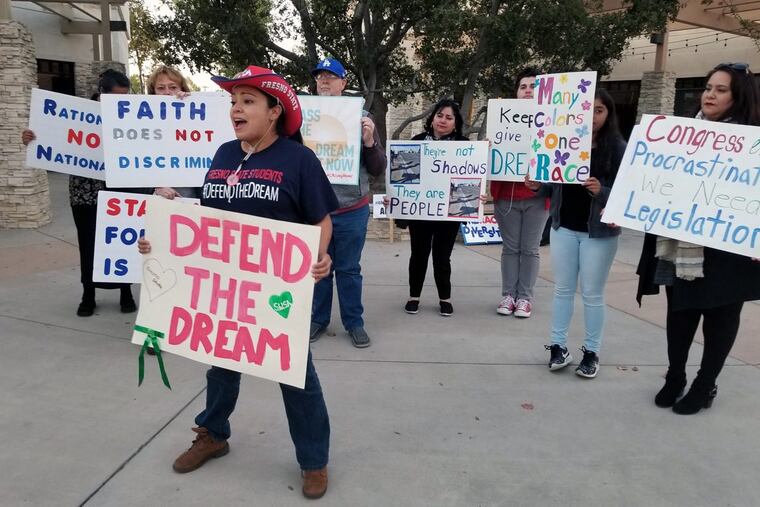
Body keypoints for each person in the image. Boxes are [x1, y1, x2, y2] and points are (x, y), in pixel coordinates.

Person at [138, 65, 337, 499]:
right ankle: (213, 434)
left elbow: (320, 220)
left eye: (247, 101)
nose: (235, 109)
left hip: (279, 292)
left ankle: (313, 460)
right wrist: (165, 228)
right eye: (233, 101)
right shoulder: (225, 153)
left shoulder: (298, 159)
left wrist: (319, 257)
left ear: (274, 112)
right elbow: (208, 224)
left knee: (295, 375)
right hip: (226, 293)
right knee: (221, 365)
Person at [636, 62, 760, 414]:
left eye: (721, 90)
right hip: (681, 244)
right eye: (708, 87)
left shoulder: (754, 142)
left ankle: (705, 384)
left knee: (720, 317)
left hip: (730, 248)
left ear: (738, 97)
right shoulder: (680, 134)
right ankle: (675, 376)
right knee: (680, 312)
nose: (710, 94)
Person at [525, 89, 625, 378]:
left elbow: (630, 193)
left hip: (599, 234)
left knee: (592, 294)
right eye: (588, 109)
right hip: (564, 228)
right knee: (562, 290)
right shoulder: (563, 142)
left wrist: (601, 191)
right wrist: (537, 187)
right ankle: (558, 346)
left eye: (599, 110)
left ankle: (591, 352)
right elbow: (553, 185)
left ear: (608, 114)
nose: (592, 116)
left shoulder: (617, 147)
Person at [22, 69, 137, 317]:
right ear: (102, 92)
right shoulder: (77, 114)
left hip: (119, 192)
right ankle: (89, 294)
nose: (121, 101)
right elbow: (53, 139)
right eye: (116, 96)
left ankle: (125, 291)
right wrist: (32, 140)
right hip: (85, 194)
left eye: (125, 96)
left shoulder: (130, 116)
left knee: (120, 243)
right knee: (88, 245)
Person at [309, 57, 386, 348]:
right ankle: (318, 320)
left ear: (344, 83)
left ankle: (354, 323)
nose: (325, 81)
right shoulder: (304, 117)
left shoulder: (362, 117)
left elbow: (378, 168)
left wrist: (369, 142)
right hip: (316, 210)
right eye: (320, 76)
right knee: (319, 267)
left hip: (352, 209)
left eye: (332, 76)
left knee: (349, 269)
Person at [403, 99, 470, 317]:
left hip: (448, 213)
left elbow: (470, 176)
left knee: (442, 257)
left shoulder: (464, 145)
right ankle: (414, 296)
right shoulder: (417, 141)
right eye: (439, 115)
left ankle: (445, 298)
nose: (443, 120)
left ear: (456, 123)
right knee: (418, 254)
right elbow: (403, 177)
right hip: (420, 209)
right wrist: (397, 199)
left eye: (449, 117)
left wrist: (475, 196)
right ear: (432, 119)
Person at [491, 67, 549, 318]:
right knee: (510, 248)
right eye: (523, 86)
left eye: (533, 86)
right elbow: (489, 156)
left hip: (537, 198)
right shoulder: (503, 118)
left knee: (530, 249)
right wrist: (490, 148)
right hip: (507, 196)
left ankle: (525, 298)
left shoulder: (551, 121)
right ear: (516, 92)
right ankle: (508, 295)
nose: (528, 90)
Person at [146, 64, 202, 201]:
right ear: (153, 93)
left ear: (182, 89)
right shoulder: (140, 124)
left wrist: (191, 106)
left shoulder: (195, 120)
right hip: (155, 202)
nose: (167, 92)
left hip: (192, 200)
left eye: (173, 87)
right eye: (161, 88)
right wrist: (154, 187)